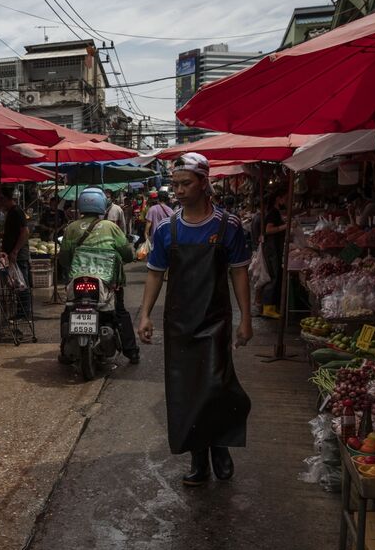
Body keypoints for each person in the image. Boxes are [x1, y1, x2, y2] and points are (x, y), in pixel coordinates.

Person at [137, 153, 252, 487]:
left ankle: (220, 446)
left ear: (204, 182)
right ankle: (198, 456)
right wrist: (144, 314)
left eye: (186, 183)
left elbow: (239, 273)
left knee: (217, 386)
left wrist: (245, 318)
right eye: (175, 184)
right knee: (185, 392)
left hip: (215, 321)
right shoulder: (165, 229)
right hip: (179, 326)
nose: (179, 190)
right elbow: (155, 275)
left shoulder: (227, 225)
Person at [59, 186, 140, 364]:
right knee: (119, 312)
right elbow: (127, 253)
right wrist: (130, 256)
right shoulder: (110, 227)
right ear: (102, 204)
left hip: (77, 279)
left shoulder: (71, 227)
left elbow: (64, 257)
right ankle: (131, 351)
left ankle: (64, 350)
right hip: (108, 280)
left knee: (68, 310)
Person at [0, 186, 31, 319]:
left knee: (21, 283)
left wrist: (15, 251)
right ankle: (20, 311)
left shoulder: (16, 211)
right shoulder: (11, 212)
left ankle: (23, 312)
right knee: (17, 283)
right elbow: (12, 234)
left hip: (18, 255)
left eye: (0, 200)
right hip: (13, 254)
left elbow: (25, 232)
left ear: (5, 199)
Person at [262, 192, 288, 320]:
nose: (287, 200)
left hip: (274, 247)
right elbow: (268, 230)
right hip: (272, 248)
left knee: (276, 274)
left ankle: (271, 306)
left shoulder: (274, 212)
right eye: (285, 197)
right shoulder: (273, 212)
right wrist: (285, 226)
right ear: (278, 198)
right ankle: (268, 308)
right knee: (274, 276)